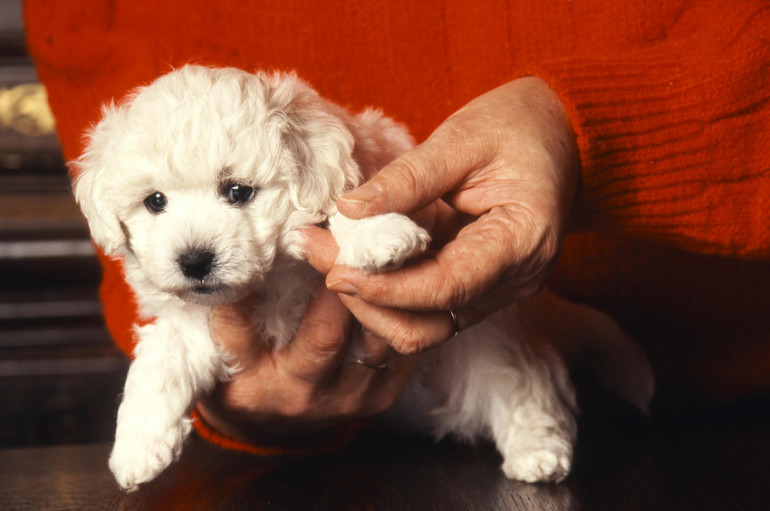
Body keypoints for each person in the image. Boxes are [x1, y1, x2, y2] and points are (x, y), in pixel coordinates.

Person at [25, 0, 770, 452]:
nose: (190, 238)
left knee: (499, 355)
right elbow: (86, 44)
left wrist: (583, 140)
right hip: (303, 461)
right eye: (153, 203)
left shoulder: (319, 155)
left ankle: (534, 408)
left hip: (726, 412)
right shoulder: (145, 153)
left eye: (236, 190)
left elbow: (357, 223)